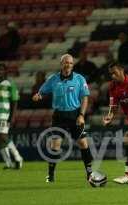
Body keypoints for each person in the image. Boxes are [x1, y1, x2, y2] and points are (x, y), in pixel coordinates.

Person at [32, 54, 94, 184]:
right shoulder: (53, 79)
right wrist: (38, 96)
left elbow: (85, 98)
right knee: (55, 145)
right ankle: (50, 175)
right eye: (66, 63)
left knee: (83, 143)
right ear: (61, 64)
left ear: (73, 65)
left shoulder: (79, 79)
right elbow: (42, 92)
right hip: (59, 116)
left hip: (75, 115)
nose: (68, 65)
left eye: (70, 63)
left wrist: (82, 115)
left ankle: (90, 174)